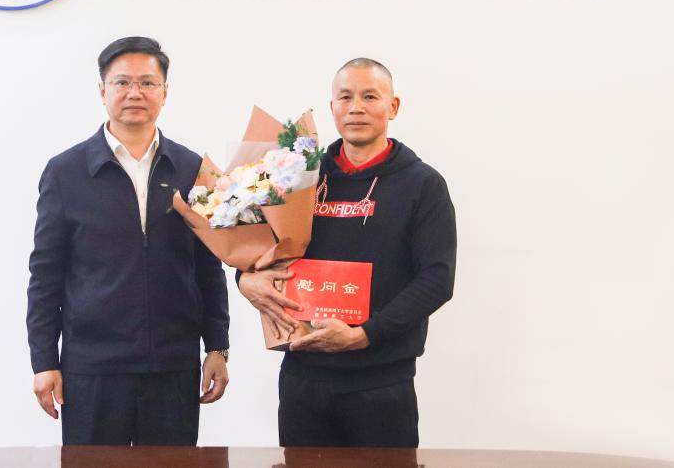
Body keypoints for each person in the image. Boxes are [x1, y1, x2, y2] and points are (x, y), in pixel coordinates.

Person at [238, 57, 456, 448]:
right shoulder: (296, 177)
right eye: (345, 97)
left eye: (370, 96)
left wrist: (365, 335)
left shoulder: (422, 185)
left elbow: (436, 279)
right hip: (303, 378)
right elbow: (253, 249)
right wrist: (244, 279)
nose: (356, 107)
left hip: (381, 382)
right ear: (332, 107)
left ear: (393, 106)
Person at [27, 36, 230, 446]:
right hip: (93, 368)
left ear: (165, 93)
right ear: (102, 91)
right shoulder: (66, 172)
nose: (135, 93)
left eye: (147, 83)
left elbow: (210, 266)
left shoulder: (192, 168)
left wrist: (218, 347)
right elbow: (45, 275)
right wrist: (44, 361)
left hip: (173, 365)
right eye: (122, 82)